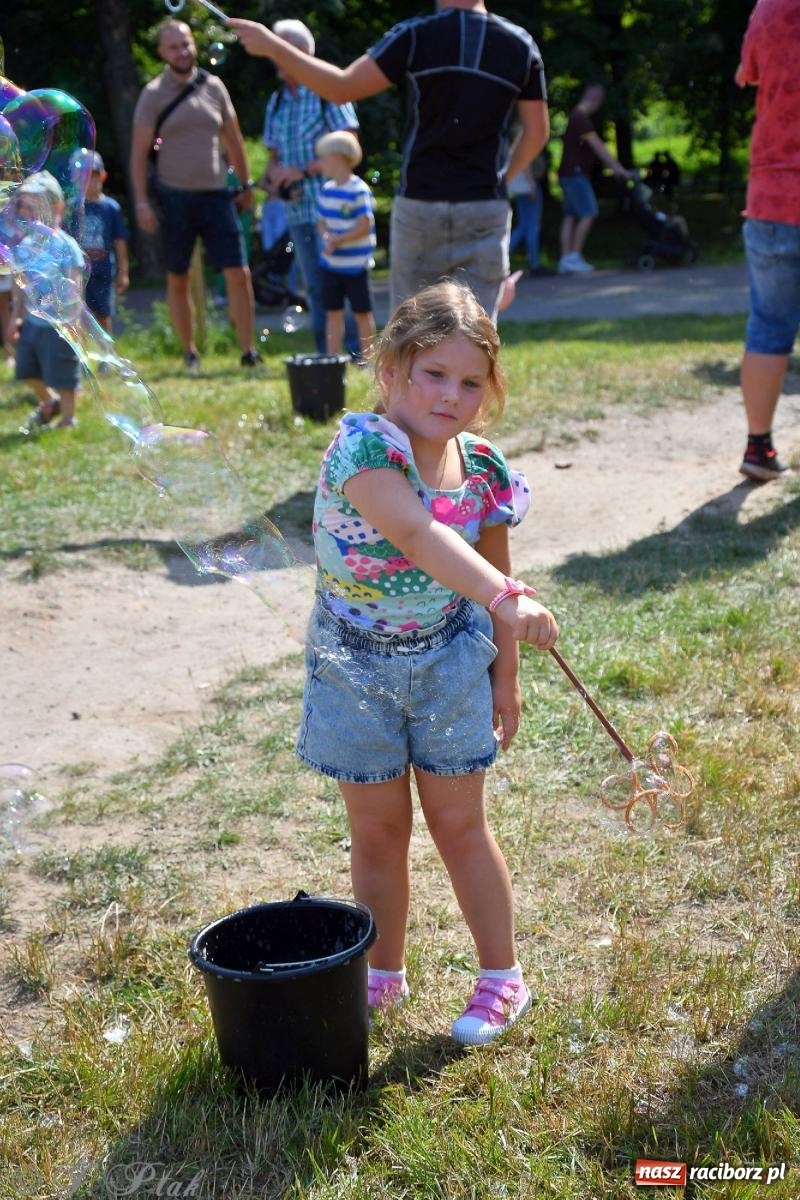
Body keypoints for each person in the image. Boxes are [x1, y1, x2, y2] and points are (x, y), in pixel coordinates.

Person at [296, 281, 559, 1044]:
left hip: (449, 663)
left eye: (471, 381)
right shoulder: (365, 448)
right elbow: (417, 537)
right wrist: (508, 595)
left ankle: (501, 981)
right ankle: (381, 976)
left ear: (491, 387)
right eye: (433, 374)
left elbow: (490, 566)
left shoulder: (481, 467)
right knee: (377, 831)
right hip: (353, 667)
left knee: (458, 824)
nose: (452, 395)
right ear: (392, 367)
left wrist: (504, 672)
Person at [230, 3, 548, 324]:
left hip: (420, 205)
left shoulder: (415, 35)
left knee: (415, 334)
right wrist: (501, 180)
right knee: (478, 332)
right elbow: (537, 133)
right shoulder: (520, 45)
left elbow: (341, 88)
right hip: (484, 206)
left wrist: (273, 46)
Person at [130, 19, 260, 373]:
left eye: (186, 44)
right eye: (174, 46)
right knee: (178, 276)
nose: (182, 51)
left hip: (217, 194)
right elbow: (139, 153)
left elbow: (234, 140)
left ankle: (248, 351)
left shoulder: (214, 86)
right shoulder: (153, 93)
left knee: (238, 273)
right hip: (173, 197)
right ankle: (189, 353)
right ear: (161, 52)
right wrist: (142, 201)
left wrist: (246, 186)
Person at [260, 19, 361, 357]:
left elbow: (349, 144)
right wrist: (275, 178)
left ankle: (354, 353)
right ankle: (327, 356)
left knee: (340, 281)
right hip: (297, 209)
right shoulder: (276, 101)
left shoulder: (325, 90)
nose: (273, 56)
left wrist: (301, 171)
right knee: (315, 286)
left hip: (331, 209)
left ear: (301, 52)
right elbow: (274, 159)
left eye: (280, 47)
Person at [735, 0, 798, 482]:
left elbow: (748, 74)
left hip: (775, 193)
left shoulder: (770, 9)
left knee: (769, 327)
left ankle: (759, 447)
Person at [11, 172, 84, 429]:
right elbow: (21, 286)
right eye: (24, 206)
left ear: (57, 208)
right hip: (32, 321)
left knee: (63, 373)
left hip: (59, 323)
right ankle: (49, 401)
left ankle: (67, 418)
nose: (28, 212)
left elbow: (74, 283)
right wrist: (15, 318)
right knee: (25, 368)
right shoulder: (26, 245)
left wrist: (74, 320)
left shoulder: (67, 245)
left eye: (35, 207)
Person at [557, 84, 630, 274]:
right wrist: (617, 168)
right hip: (576, 174)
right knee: (589, 212)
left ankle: (566, 258)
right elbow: (598, 146)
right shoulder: (581, 118)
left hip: (567, 174)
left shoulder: (574, 116)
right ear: (595, 99)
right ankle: (573, 257)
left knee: (571, 216)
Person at [315, 130, 376, 360]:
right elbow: (321, 222)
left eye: (323, 157)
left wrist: (339, 239)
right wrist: (327, 237)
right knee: (333, 313)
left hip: (356, 265)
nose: (320, 163)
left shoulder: (358, 190)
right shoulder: (326, 190)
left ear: (338, 157)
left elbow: (364, 224)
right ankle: (332, 359)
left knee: (362, 313)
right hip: (332, 264)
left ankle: (368, 360)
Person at [75, 152, 129, 335]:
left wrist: (123, 272)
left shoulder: (111, 207)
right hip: (79, 272)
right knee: (79, 313)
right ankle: (81, 358)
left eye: (93, 176)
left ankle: (105, 357)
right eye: (84, 176)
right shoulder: (74, 208)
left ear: (103, 176)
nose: (89, 181)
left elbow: (120, 241)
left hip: (104, 271)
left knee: (104, 313)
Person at [508, 155, 553, 277]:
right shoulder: (523, 138)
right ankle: (535, 264)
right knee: (531, 227)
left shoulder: (510, 142)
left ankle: (503, 258)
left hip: (521, 187)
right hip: (528, 185)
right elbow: (525, 161)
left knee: (524, 226)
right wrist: (532, 184)